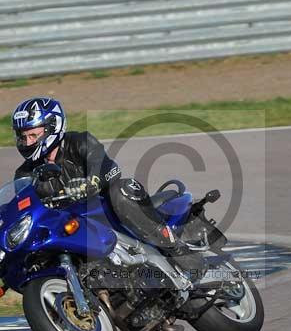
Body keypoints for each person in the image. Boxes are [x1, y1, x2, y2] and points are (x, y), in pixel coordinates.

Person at [11, 97, 201, 276]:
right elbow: (27, 208)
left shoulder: (79, 142)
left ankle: (177, 249)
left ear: (52, 127)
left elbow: (108, 167)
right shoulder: (24, 175)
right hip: (74, 227)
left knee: (121, 189)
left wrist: (90, 183)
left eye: (33, 135)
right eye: (24, 136)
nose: (28, 142)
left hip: (107, 211)